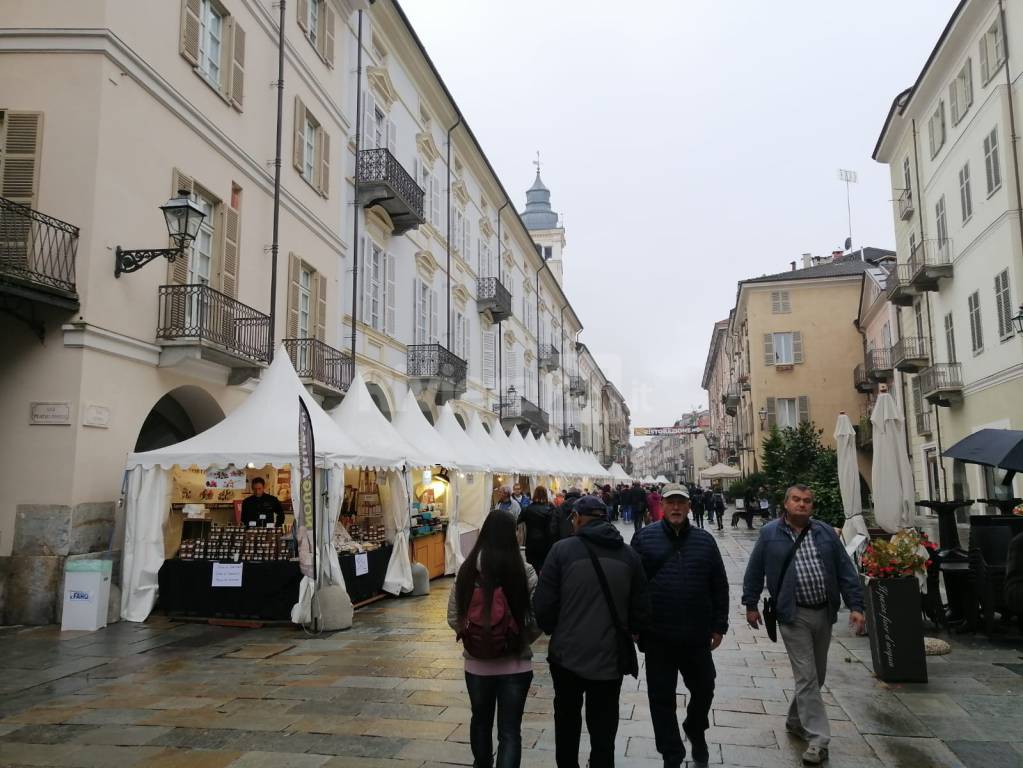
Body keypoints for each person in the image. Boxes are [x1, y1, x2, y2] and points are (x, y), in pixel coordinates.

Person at [742, 485, 865, 767]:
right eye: (796, 500)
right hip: (792, 614)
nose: (802, 505)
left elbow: (846, 570)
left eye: (807, 501)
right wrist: (750, 604)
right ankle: (818, 739)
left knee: (817, 675)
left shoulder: (824, 532)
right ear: (786, 504)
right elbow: (754, 570)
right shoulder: (770, 533)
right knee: (807, 676)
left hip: (824, 612)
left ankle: (795, 719)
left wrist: (856, 606)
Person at [533, 496, 650, 768]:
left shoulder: (561, 551)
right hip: (609, 659)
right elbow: (642, 608)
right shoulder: (629, 555)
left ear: (578, 518)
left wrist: (555, 630)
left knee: (567, 723)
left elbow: (543, 604)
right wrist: (632, 630)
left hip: (566, 658)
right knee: (603, 730)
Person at [632, 484, 728, 768]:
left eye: (681, 503)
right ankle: (671, 753)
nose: (676, 507)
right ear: (662, 505)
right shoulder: (643, 539)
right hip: (658, 635)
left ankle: (695, 728)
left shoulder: (705, 541)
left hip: (696, 634)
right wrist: (635, 624)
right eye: (671, 502)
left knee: (704, 689)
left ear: (689, 507)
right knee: (661, 698)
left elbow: (719, 585)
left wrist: (719, 624)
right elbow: (633, 585)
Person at [448, 510, 541, 768]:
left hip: (476, 665)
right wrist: (520, 640)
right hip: (516, 663)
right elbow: (537, 618)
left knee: (480, 721)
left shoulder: (467, 569)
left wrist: (471, 634)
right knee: (510, 731)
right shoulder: (525, 570)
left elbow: (452, 615)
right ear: (513, 535)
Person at [518, 486, 557, 572]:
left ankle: (533, 584)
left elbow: (517, 522)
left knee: (532, 568)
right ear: (545, 495)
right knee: (544, 568)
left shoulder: (527, 509)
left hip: (530, 542)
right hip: (545, 543)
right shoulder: (550, 510)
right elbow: (552, 529)